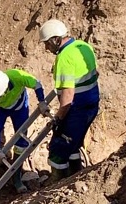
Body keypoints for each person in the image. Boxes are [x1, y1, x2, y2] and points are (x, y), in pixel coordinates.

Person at [39, 19, 100, 180]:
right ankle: (75, 175)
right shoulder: (83, 46)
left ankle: (58, 183)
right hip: (91, 105)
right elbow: (95, 74)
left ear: (55, 39)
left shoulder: (64, 58)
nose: (46, 48)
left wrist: (58, 119)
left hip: (76, 110)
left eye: (47, 43)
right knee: (73, 144)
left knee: (58, 149)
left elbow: (67, 95)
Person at [0, 69, 49, 193]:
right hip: (0, 109)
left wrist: (42, 101)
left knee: (22, 140)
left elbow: (37, 84)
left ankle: (16, 179)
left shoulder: (17, 76)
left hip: (19, 106)